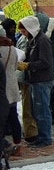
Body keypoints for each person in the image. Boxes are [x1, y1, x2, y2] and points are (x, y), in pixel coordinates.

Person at [17, 15, 54, 148]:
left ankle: (45, 138)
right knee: (35, 111)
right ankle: (40, 136)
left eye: (24, 31)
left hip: (42, 80)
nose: (23, 34)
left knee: (42, 111)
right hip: (34, 80)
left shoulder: (42, 41)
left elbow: (45, 62)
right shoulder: (32, 41)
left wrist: (28, 65)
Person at [1, 26, 22, 156]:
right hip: (12, 86)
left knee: (2, 119)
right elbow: (15, 66)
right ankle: (18, 144)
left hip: (2, 88)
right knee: (14, 117)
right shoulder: (12, 48)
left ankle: (3, 148)